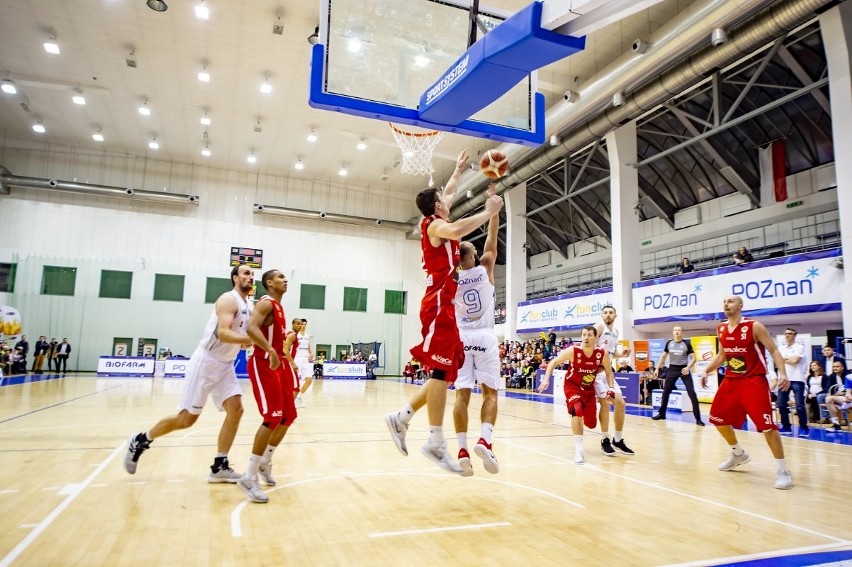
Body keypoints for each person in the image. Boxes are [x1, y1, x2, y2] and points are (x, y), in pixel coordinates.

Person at [384, 149, 503, 473]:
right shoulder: (436, 226)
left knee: (444, 373)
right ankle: (435, 441)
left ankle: (403, 418)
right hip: (438, 301)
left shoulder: (438, 216)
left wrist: (459, 169)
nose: (446, 201)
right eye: (443, 200)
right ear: (437, 207)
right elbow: (456, 230)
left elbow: (448, 193)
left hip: (447, 304)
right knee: (439, 372)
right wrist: (488, 211)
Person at [123, 264, 254, 481]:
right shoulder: (228, 300)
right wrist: (250, 340)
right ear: (235, 278)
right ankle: (141, 440)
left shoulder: (249, 305)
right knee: (186, 420)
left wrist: (247, 343)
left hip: (225, 365)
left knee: (236, 409)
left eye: (252, 274)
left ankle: (219, 466)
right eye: (246, 273)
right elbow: (222, 333)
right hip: (206, 362)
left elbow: (237, 339)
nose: (250, 277)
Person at [699, 295, 793, 490]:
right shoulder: (721, 328)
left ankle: (783, 470)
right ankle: (738, 453)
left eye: (731, 301)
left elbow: (774, 350)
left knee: (767, 426)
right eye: (724, 301)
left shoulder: (754, 326)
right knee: (717, 418)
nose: (726, 304)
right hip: (732, 380)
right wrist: (707, 370)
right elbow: (723, 355)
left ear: (740, 306)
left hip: (754, 381)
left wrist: (782, 373)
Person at [238, 269, 298, 503]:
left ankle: (265, 461)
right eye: (280, 277)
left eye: (285, 277)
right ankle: (249, 476)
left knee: (288, 415)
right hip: (263, 363)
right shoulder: (265, 304)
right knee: (272, 417)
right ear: (269, 283)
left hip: (278, 364)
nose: (285, 280)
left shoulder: (280, 307)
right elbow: (251, 328)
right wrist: (271, 350)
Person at [453, 196, 500, 476]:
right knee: (490, 393)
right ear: (473, 258)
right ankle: (485, 439)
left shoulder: (452, 278)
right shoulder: (485, 268)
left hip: (461, 337)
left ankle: (462, 449)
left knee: (461, 396)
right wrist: (493, 209)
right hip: (484, 336)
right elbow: (492, 235)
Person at [538, 325, 614, 464]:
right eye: (584, 335)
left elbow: (609, 373)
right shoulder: (573, 351)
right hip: (572, 386)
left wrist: (611, 388)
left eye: (589, 335)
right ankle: (579, 450)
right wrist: (546, 379)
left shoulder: (602, 354)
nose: (586, 337)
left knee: (591, 424)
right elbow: (553, 362)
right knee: (576, 410)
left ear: (596, 338)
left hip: (588, 389)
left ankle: (581, 422)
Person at [593, 305, 635, 456]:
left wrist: (621, 354)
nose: (608, 315)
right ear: (602, 315)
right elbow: (587, 347)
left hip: (608, 373)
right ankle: (605, 440)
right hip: (596, 374)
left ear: (615, 315)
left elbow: (610, 353)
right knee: (604, 402)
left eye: (611, 312)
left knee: (620, 403)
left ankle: (618, 440)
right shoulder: (598, 328)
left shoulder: (615, 332)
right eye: (605, 312)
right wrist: (593, 364)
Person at [652, 325, 704, 425]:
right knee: (666, 392)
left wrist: (688, 367)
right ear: (673, 332)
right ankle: (662, 414)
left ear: (682, 332)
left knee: (692, 393)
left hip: (684, 369)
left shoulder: (687, 343)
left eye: (679, 330)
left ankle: (698, 419)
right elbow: (663, 357)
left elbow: (694, 358)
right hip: (672, 369)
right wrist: (657, 368)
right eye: (675, 330)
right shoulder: (669, 343)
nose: (677, 332)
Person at [776, 327, 808, 435]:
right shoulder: (781, 348)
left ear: (795, 335)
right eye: (785, 333)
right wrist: (786, 359)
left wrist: (783, 359)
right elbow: (777, 362)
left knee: (799, 405)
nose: (787, 335)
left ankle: (804, 427)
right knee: (781, 404)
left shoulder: (799, 347)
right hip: (784, 378)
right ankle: (786, 426)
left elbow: (795, 361)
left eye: (790, 333)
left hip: (797, 379)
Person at [294, 318, 314, 407]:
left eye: (305, 324)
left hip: (305, 359)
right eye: (302, 324)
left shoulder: (307, 335)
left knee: (309, 380)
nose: (303, 326)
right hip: (297, 358)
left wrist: (311, 353)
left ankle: (299, 397)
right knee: (294, 381)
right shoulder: (295, 335)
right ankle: (291, 400)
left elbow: (309, 347)